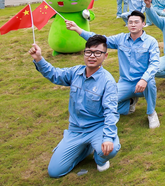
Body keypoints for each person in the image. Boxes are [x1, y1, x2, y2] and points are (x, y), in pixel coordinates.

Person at [28, 36, 121, 177]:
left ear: (105, 56)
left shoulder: (108, 82)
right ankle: (85, 148)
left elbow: (111, 112)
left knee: (110, 149)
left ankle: (100, 159)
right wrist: (39, 59)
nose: (92, 56)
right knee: (54, 172)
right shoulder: (75, 72)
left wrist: (108, 137)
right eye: (88, 52)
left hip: (97, 128)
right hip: (75, 130)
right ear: (84, 53)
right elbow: (54, 74)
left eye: (97, 53)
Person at [67, 11, 161, 128]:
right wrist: (77, 29)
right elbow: (99, 40)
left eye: (136, 22)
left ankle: (151, 113)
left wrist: (144, 79)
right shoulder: (120, 39)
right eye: (130, 22)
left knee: (151, 82)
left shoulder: (151, 42)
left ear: (143, 24)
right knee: (104, 106)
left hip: (143, 83)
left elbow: (155, 64)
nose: (132, 24)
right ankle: (130, 103)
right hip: (125, 82)